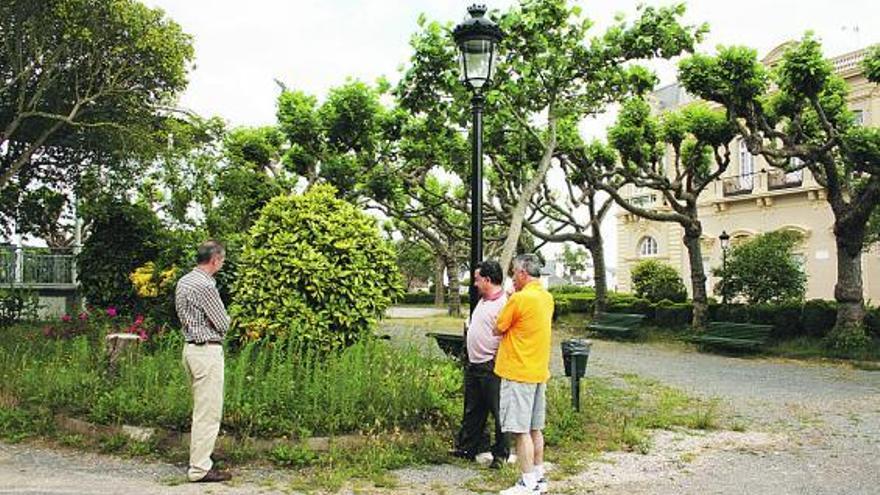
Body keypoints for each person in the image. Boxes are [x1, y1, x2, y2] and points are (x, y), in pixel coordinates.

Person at [494, 254, 554, 495]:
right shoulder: (546, 298)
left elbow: (498, 327)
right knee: (534, 428)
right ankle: (539, 476)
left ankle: (527, 483)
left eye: (513, 274)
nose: (512, 278)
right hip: (538, 371)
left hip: (518, 371)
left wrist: (510, 298)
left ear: (522, 273)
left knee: (520, 430)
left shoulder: (519, 299)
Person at [175, 240, 232, 483]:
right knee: (208, 413)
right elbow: (222, 322)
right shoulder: (205, 286)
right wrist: (215, 323)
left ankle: (201, 458)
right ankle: (199, 468)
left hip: (190, 348)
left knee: (201, 409)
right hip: (206, 351)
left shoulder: (185, 280)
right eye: (222, 259)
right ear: (215, 259)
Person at [451, 260, 510, 468]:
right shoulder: (483, 301)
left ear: (487, 279)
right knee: (473, 409)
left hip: (491, 365)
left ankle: (501, 454)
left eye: (477, 279)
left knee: (498, 410)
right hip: (475, 364)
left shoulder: (505, 303)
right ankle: (468, 447)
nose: (474, 284)